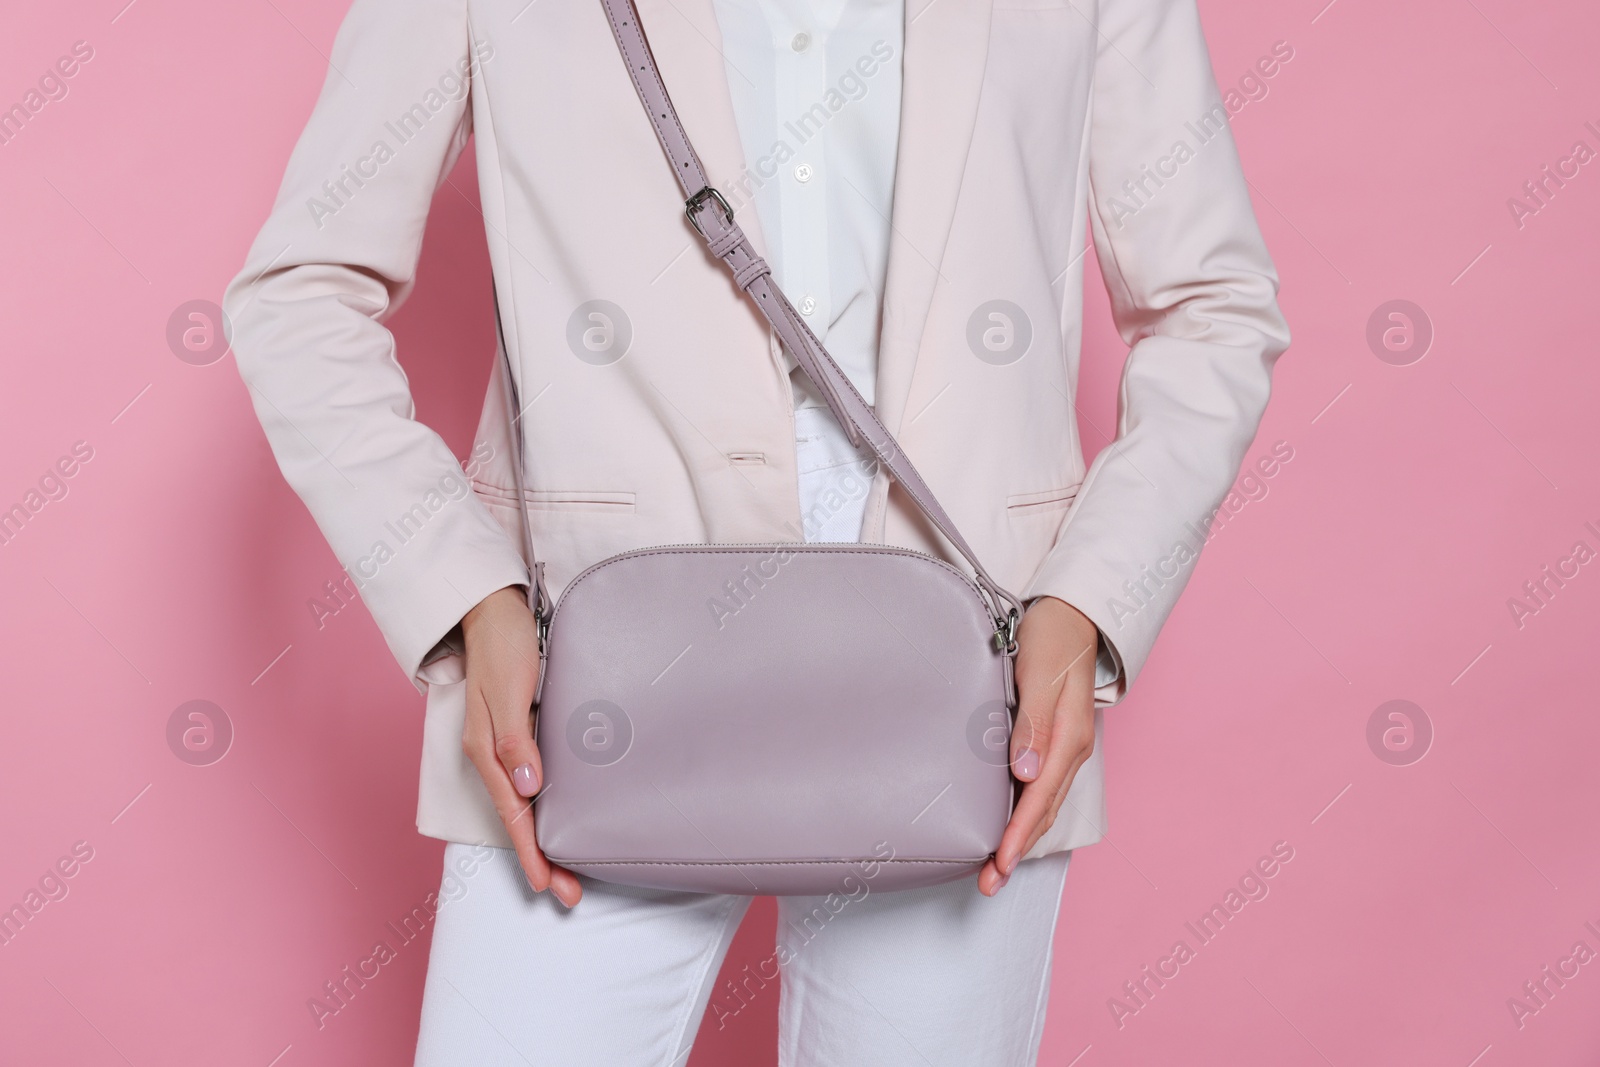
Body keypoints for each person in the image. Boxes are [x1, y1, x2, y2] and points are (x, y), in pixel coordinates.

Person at [223, 0, 1289, 1061]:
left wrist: (1091, 600)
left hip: (971, 691)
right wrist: (461, 592)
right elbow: (300, 294)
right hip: (581, 680)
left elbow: (1212, 305)